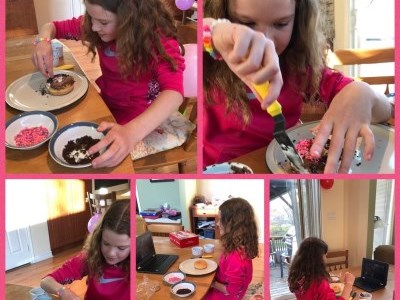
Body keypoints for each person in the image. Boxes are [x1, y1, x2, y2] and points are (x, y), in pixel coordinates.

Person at [203, 0, 392, 173]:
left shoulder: (300, 68)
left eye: (281, 24)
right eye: (246, 23)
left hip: (284, 166)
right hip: (221, 170)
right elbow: (198, 36)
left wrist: (362, 93)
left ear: (298, 20)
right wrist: (214, 31)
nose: (265, 40)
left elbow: (389, 110)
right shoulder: (207, 65)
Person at [33, 0, 185, 168]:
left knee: (95, 160)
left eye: (103, 22)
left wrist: (131, 133)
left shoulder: (157, 40)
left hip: (137, 117)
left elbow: (174, 93)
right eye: (91, 17)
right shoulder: (96, 24)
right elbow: (52, 26)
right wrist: (43, 40)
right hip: (106, 103)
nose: (94, 28)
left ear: (130, 18)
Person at [40, 199, 130, 299]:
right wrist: (64, 292)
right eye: (106, 243)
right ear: (99, 237)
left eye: (121, 248)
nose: (111, 253)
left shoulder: (138, 267)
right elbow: (46, 281)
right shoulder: (91, 257)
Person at [204, 197, 259, 299]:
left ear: (233, 224)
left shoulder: (236, 259)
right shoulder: (237, 246)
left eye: (220, 220)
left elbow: (231, 291)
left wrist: (212, 283)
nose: (217, 223)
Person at [288, 237, 355, 299]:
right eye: (325, 256)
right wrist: (349, 284)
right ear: (317, 259)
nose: (326, 259)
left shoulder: (298, 276)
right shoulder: (319, 283)